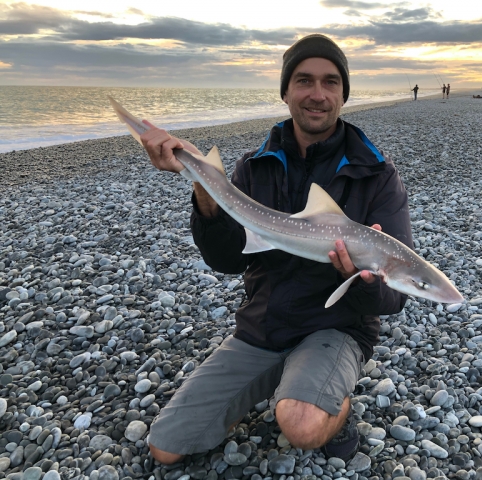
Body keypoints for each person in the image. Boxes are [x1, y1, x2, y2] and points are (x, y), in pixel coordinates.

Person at [139, 34, 412, 464]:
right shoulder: (255, 166)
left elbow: (392, 299)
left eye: (330, 82)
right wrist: (204, 184)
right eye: (304, 81)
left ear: (343, 93)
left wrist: (355, 275)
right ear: (285, 92)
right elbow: (227, 260)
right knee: (166, 448)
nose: (317, 95)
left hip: (334, 328)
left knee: (302, 424)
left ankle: (332, 401)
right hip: (263, 324)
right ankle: (288, 379)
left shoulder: (376, 175)